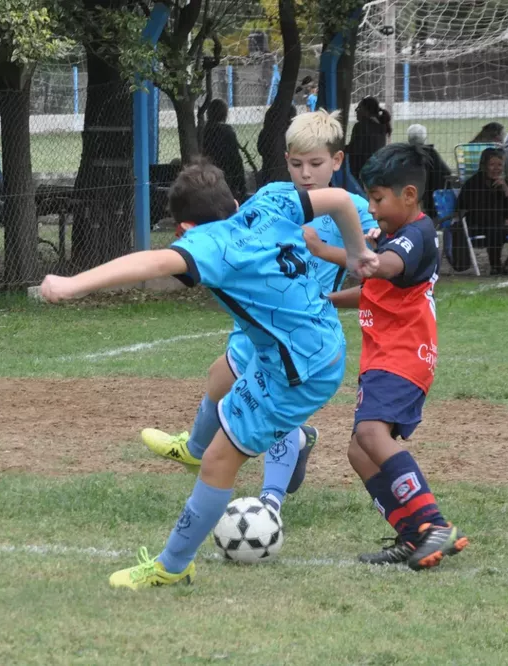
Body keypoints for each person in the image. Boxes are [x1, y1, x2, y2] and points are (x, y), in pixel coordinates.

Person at [40, 162, 379, 590]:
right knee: (222, 385)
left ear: (184, 227)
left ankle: (172, 565)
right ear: (234, 201)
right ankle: (247, 446)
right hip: (311, 346)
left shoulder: (209, 245)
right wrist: (354, 252)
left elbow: (151, 262)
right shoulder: (271, 202)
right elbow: (339, 198)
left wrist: (72, 284)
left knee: (219, 462)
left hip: (298, 371)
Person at [141, 110, 379, 515]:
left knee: (273, 401)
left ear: (337, 162)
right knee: (220, 378)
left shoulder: (351, 208)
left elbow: (371, 255)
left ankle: (270, 500)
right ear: (286, 159)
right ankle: (196, 449)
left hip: (299, 331)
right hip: (257, 320)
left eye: (317, 164)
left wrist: (353, 245)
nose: (306, 174)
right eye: (297, 164)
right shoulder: (275, 196)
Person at [323, 143, 468, 569]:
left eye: (377, 198)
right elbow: (373, 290)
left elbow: (377, 268)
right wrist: (324, 299)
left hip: (403, 355)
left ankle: (434, 524)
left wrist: (321, 249)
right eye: (368, 198)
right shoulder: (393, 235)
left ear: (408, 195)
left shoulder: (417, 234)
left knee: (371, 435)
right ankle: (411, 536)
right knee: (358, 451)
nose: (372, 207)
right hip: (385, 355)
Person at [456, 148, 508, 275]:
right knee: (496, 228)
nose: (496, 168)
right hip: (477, 226)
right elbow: (476, 213)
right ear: (484, 165)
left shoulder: (504, 183)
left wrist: (506, 191)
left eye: (499, 165)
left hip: (501, 224)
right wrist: (504, 221)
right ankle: (496, 266)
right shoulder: (473, 184)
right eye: (492, 164)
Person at [201, 99, 247, 202]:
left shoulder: (203, 131)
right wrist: (241, 184)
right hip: (226, 175)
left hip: (207, 172)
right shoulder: (227, 131)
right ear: (224, 114)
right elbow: (235, 159)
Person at [406, 124, 452, 219]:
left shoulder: (404, 154)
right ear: (424, 138)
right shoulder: (431, 153)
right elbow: (446, 172)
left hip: (409, 198)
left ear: (409, 139)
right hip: (430, 200)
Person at [347, 96, 392, 184]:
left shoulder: (361, 126)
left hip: (360, 174)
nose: (356, 110)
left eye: (359, 108)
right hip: (376, 172)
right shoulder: (382, 126)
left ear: (367, 111)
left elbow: (354, 150)